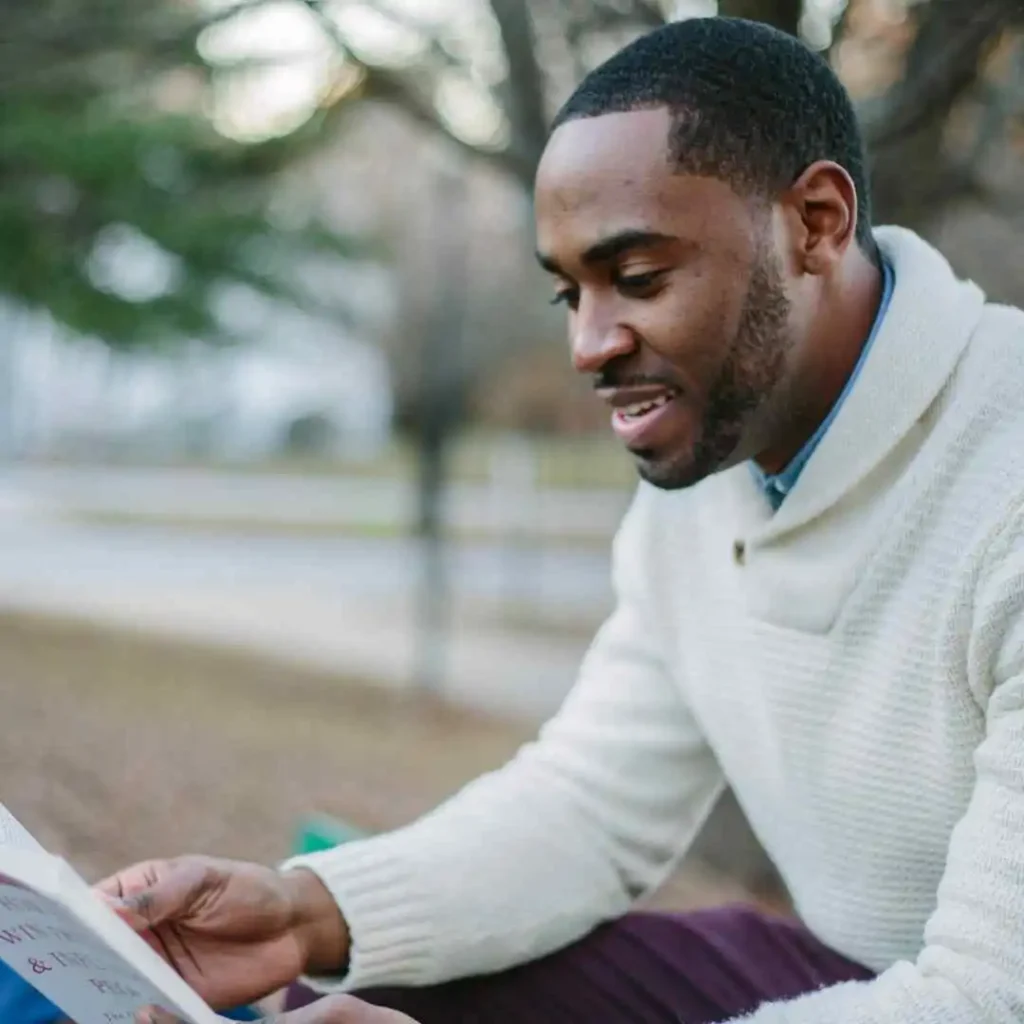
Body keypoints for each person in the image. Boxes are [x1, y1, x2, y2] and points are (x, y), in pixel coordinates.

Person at [107, 16, 1024, 1024]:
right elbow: (590, 805)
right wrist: (306, 911)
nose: (589, 345)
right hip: (845, 968)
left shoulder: (1002, 479)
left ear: (814, 222)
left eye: (637, 279)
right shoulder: (711, 470)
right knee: (364, 980)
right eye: (569, 292)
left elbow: (986, 996)